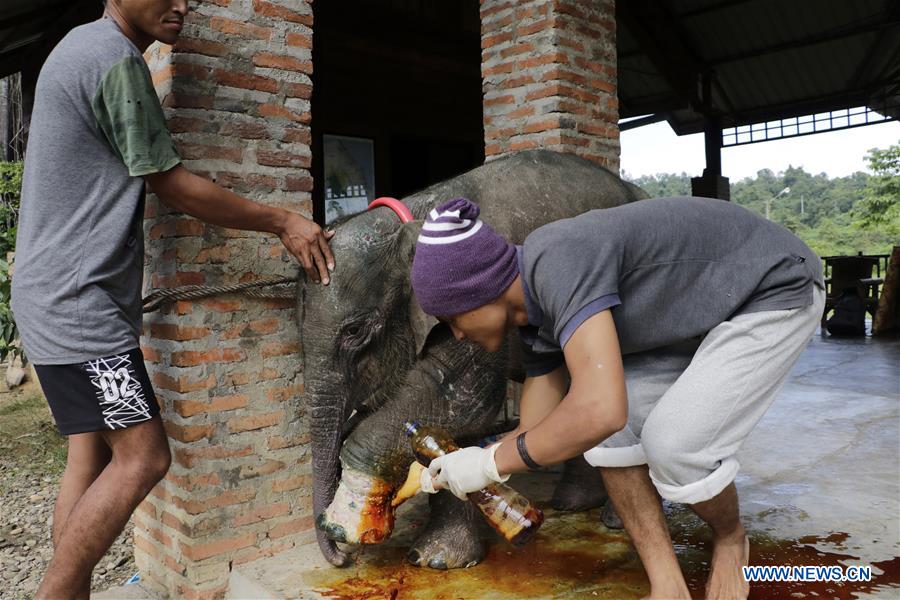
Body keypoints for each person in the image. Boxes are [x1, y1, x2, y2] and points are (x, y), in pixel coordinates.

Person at [10, 1, 334, 597]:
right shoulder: (111, 58)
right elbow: (173, 184)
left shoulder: (82, 47)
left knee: (91, 458)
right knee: (144, 458)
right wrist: (283, 221)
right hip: (79, 306)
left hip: (54, 295)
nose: (182, 5)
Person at [412, 196, 824, 599]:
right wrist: (456, 466)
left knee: (674, 444)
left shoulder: (559, 259)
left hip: (772, 285)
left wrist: (489, 463)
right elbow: (535, 430)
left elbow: (599, 409)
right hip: (696, 313)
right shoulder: (535, 322)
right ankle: (667, 586)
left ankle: (731, 538)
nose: (459, 334)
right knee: (606, 438)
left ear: (482, 290)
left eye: (452, 318)